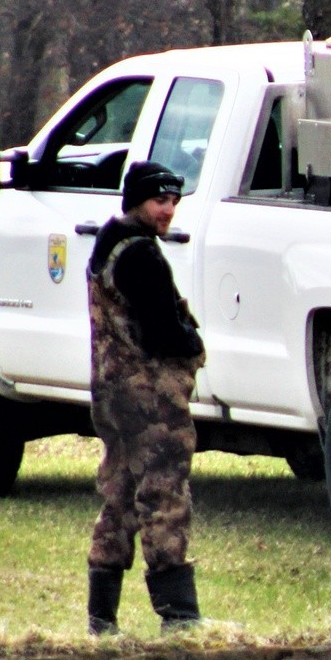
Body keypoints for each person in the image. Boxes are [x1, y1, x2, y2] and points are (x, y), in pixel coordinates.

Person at [86, 162, 207, 635]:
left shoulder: (108, 245)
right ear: (137, 200)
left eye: (175, 201)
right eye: (160, 201)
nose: (169, 211)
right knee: (164, 495)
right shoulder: (142, 256)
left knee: (118, 494)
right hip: (150, 398)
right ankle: (178, 617)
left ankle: (102, 620)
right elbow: (162, 333)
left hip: (111, 391)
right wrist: (192, 341)